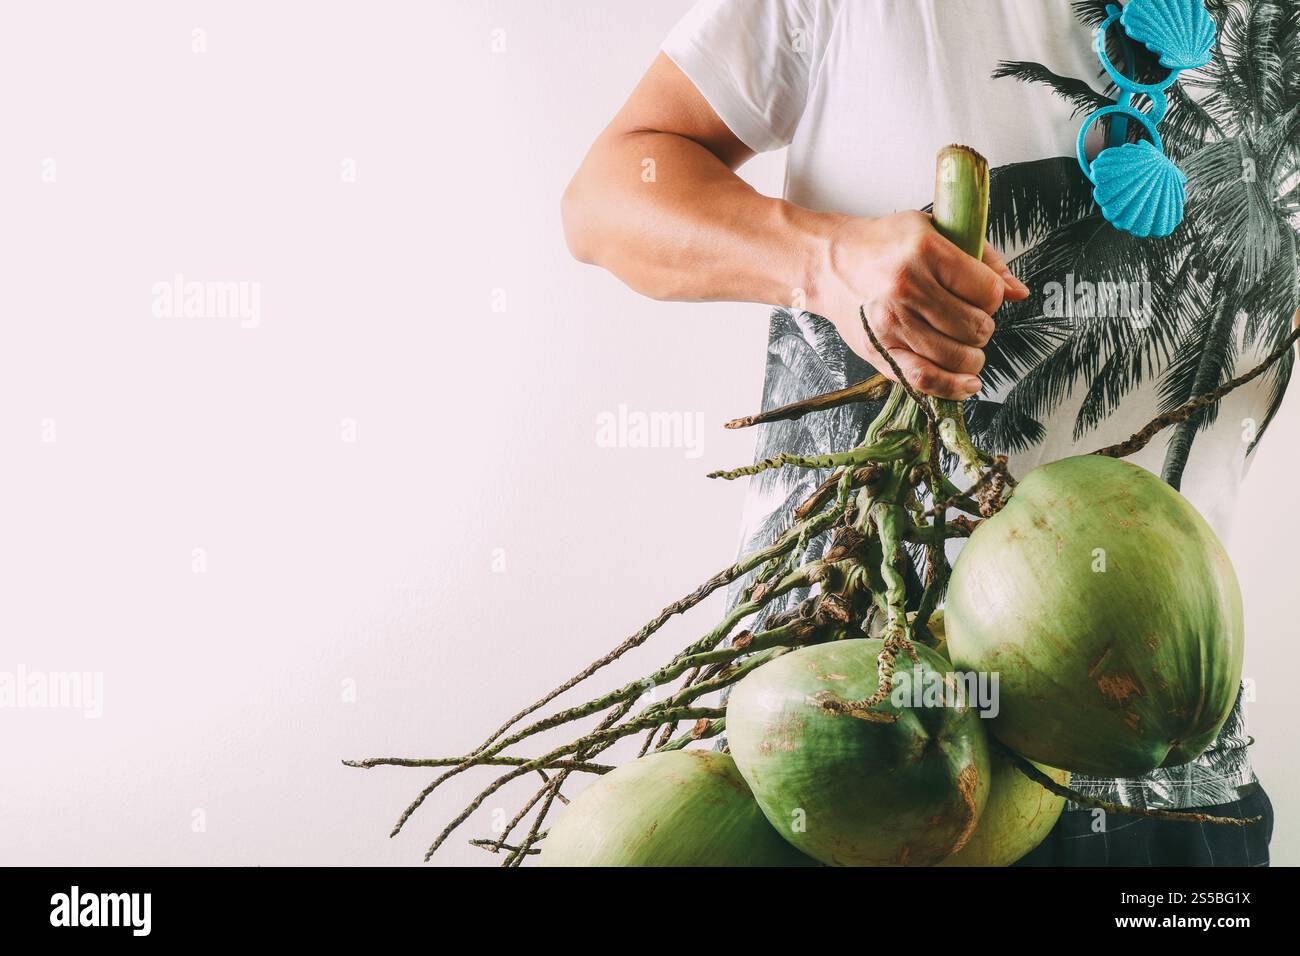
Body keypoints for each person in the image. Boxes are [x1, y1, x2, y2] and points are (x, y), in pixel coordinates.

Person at [561, 0, 1289, 865]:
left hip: (1171, 801)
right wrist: (826, 263)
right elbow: (607, 194)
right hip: (857, 762)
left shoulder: (1269, 38)